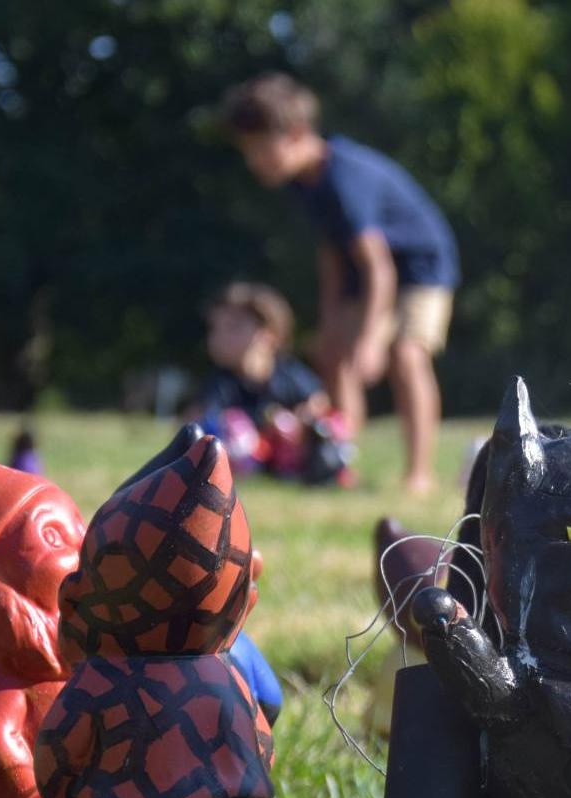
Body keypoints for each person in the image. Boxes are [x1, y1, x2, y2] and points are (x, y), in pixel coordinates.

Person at [220, 73, 459, 495]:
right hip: (367, 273)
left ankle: (419, 474)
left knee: (406, 356)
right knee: (334, 356)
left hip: (420, 266)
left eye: (259, 149)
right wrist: (332, 325)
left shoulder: (343, 177)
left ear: (294, 135)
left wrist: (369, 340)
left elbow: (378, 267)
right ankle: (340, 463)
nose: (253, 161)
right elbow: (332, 255)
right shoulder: (302, 183)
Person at [193, 280, 350, 486]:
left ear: (268, 335)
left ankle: (328, 470)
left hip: (291, 447)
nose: (219, 338)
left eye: (233, 328)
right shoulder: (221, 382)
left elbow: (318, 401)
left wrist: (298, 421)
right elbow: (198, 420)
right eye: (215, 329)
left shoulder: (287, 372)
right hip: (250, 453)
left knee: (326, 424)